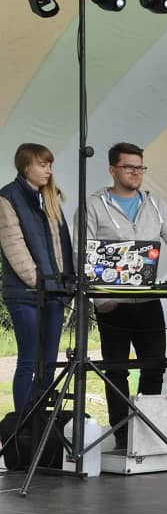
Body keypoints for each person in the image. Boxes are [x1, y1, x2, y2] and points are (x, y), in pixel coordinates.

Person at [85, 142, 167, 450]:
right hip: (112, 303)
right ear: (112, 170)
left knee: (155, 365)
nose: (136, 173)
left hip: (147, 301)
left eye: (140, 167)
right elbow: (84, 252)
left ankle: (146, 432)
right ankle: (122, 435)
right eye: (129, 167)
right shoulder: (94, 205)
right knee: (116, 370)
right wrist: (99, 300)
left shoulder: (155, 204)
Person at [0, 143, 74, 413]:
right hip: (25, 294)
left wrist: (65, 283)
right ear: (25, 167)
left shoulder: (50, 197)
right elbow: (15, 249)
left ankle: (41, 419)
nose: (48, 170)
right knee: (29, 361)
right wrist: (43, 284)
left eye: (50, 165)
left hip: (53, 292)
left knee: (49, 362)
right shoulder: (7, 198)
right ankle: (23, 425)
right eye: (42, 165)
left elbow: (63, 247)